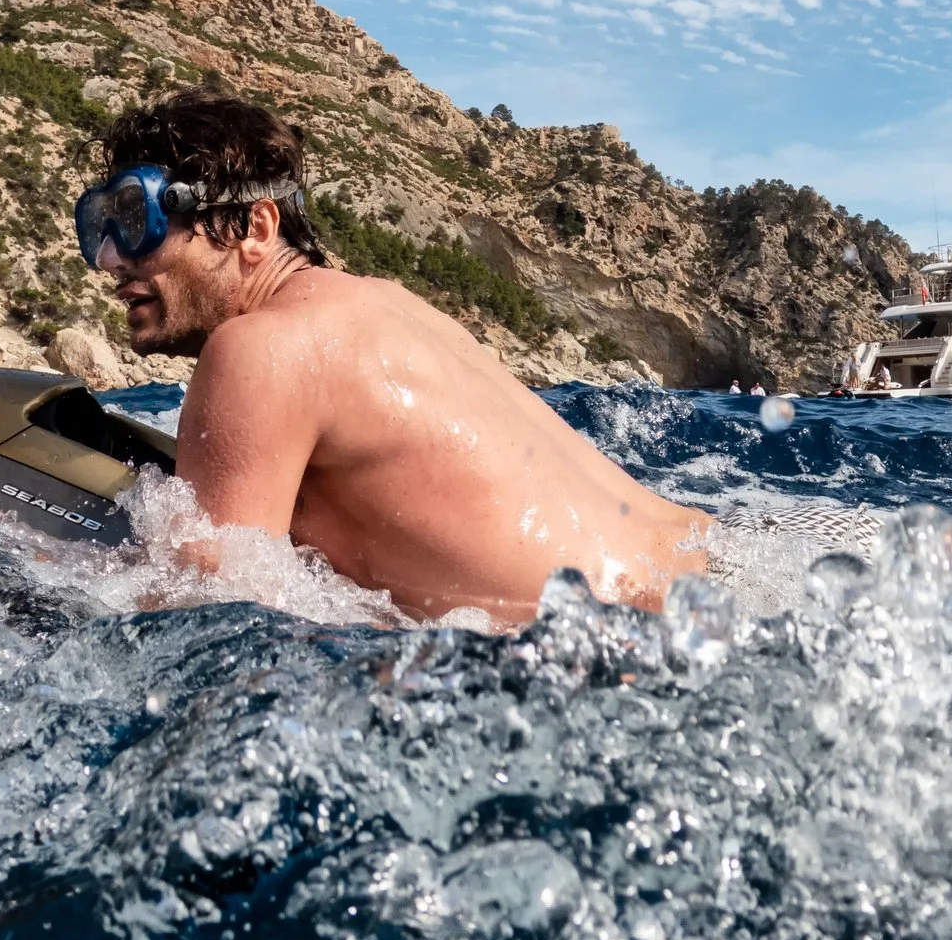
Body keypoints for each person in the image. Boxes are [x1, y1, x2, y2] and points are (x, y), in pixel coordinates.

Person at [73, 91, 712, 624]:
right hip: (705, 582)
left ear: (256, 228)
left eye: (138, 220)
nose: (109, 259)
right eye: (102, 226)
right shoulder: (388, 308)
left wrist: (29, 574)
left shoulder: (260, 348)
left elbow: (205, 621)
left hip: (624, 653)